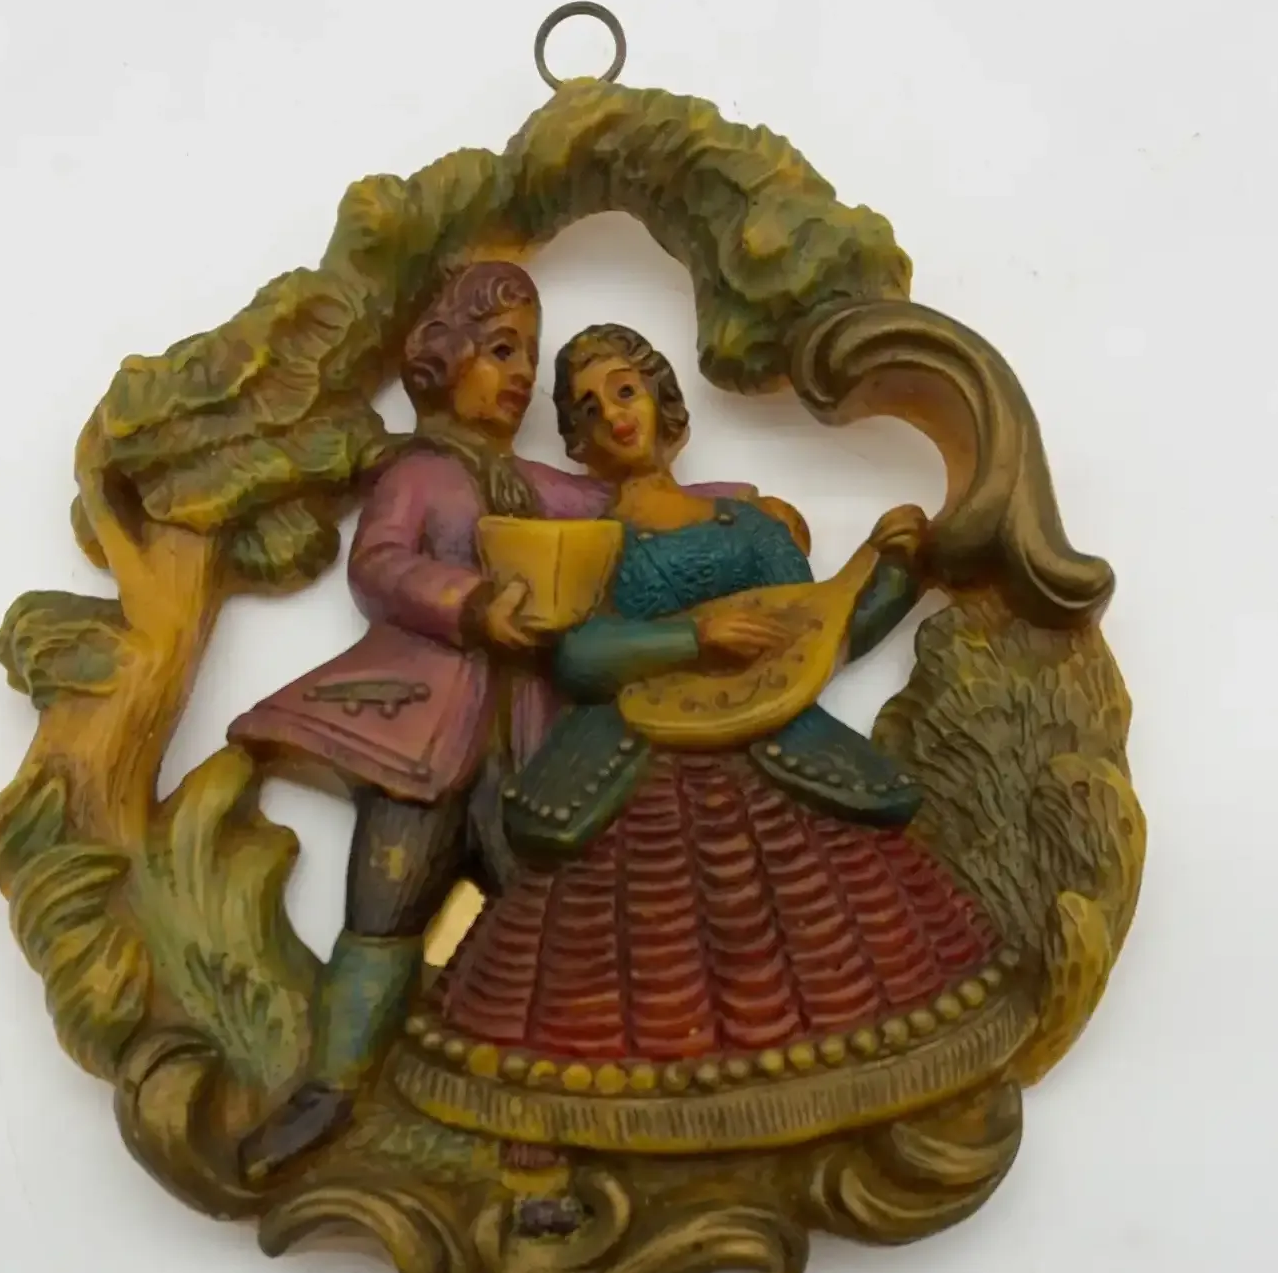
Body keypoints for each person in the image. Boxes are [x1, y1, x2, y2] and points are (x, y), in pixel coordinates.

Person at [392, 325, 1022, 1163]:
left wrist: (896, 576)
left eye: (624, 390)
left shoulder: (749, 526)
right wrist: (694, 637)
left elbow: (816, 638)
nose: (613, 415)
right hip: (635, 772)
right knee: (612, 955)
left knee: (837, 940)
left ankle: (843, 1096)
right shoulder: (588, 540)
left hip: (775, 754)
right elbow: (578, 657)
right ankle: (591, 1126)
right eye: (588, 408)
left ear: (663, 402)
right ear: (577, 442)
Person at [228, 264, 609, 1180]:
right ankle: (331, 1091)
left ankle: (545, 1122)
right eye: (501, 349)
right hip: (422, 748)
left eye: (529, 355)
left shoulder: (536, 484)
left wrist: (725, 506)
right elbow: (380, 566)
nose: (521, 373)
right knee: (383, 907)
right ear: (441, 360)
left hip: (532, 751)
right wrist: (470, 603)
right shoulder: (420, 474)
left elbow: (624, 510)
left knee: (549, 923)